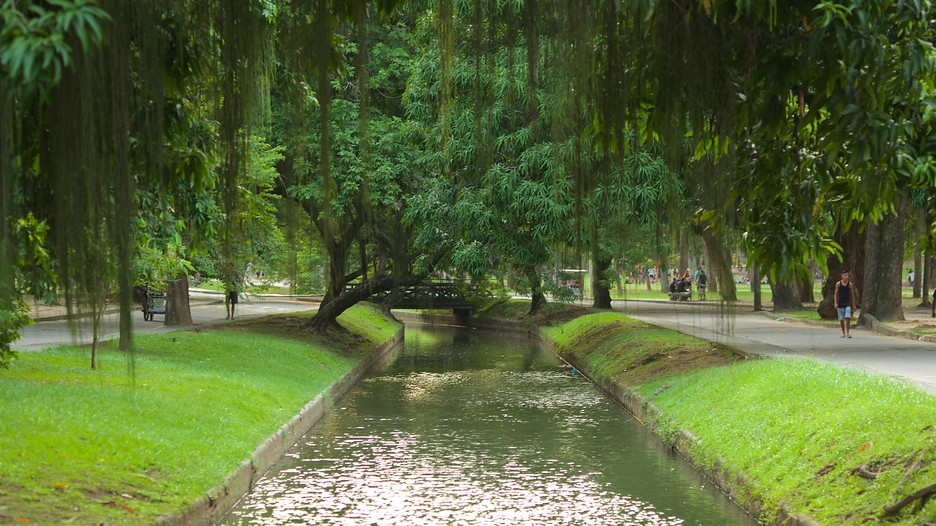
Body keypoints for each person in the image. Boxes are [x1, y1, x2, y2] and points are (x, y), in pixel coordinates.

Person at [833, 269, 858, 338]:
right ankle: (843, 333)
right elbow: (835, 294)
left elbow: (852, 295)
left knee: (848, 317)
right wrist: (835, 303)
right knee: (841, 319)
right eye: (845, 275)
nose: (847, 277)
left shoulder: (850, 285)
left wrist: (853, 305)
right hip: (840, 303)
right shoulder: (838, 284)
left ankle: (848, 332)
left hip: (847, 303)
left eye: (847, 275)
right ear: (842, 276)